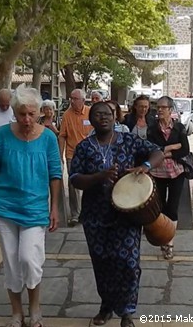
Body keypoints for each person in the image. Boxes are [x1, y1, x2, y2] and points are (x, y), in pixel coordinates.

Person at [69, 102, 163, 327]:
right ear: (91, 120)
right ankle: (107, 305)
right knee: (102, 263)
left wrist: (146, 166)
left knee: (129, 262)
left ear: (115, 117)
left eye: (107, 114)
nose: (103, 118)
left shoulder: (128, 140)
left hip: (126, 215)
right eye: (98, 114)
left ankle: (128, 311)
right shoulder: (84, 147)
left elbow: (158, 152)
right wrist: (98, 177)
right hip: (95, 216)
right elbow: (75, 179)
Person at [0, 86, 62, 327]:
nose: (26, 119)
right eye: (21, 114)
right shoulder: (4, 135)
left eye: (31, 114)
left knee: (29, 258)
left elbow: (55, 174)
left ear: (40, 112)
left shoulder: (48, 137)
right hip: (4, 208)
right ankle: (17, 312)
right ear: (14, 112)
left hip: (35, 208)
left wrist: (54, 207)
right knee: (12, 264)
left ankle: (35, 306)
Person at [147, 96, 190, 260]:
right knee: (160, 207)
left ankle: (169, 243)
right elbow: (153, 150)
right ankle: (162, 237)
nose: (159, 110)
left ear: (170, 110)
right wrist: (170, 147)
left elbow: (185, 149)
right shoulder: (152, 129)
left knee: (172, 207)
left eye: (163, 108)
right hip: (158, 172)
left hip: (176, 173)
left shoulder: (179, 128)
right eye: (158, 107)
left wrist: (167, 151)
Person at [58, 89, 92, 226]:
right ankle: (75, 215)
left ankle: (88, 212)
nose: (72, 101)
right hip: (72, 154)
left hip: (89, 154)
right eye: (71, 98)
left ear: (83, 100)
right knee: (73, 185)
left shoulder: (91, 112)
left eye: (75, 99)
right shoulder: (67, 115)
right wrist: (60, 156)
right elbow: (62, 136)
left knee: (91, 184)